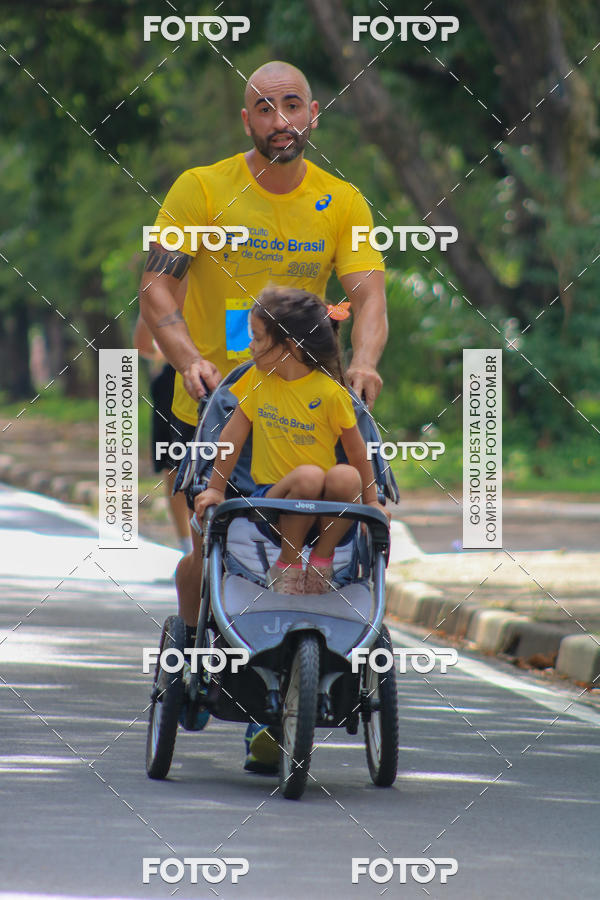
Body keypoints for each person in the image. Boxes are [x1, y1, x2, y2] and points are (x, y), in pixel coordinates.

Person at [139, 60, 388, 771]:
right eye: (264, 108)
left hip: (303, 404)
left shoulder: (340, 201)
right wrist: (186, 356)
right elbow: (158, 286)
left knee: (310, 539)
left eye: (292, 106)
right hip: (211, 403)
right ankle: (191, 650)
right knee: (208, 550)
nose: (280, 120)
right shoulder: (201, 189)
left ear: (313, 115)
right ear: (246, 121)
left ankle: (273, 698)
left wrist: (363, 361)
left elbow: (368, 295)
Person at [194, 287, 390, 594]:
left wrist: (372, 502)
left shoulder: (330, 392)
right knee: (309, 476)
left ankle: (321, 559)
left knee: (346, 475)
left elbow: (356, 449)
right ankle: (288, 561)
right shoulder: (257, 382)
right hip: (272, 505)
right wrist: (215, 489)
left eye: (257, 337)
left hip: (325, 512)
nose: (250, 346)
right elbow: (231, 436)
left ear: (287, 346)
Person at [133, 314, 192, 555]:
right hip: (233, 378)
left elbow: (144, 342)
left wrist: (169, 351)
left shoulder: (167, 282)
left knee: (176, 465)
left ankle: (189, 550)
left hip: (178, 375)